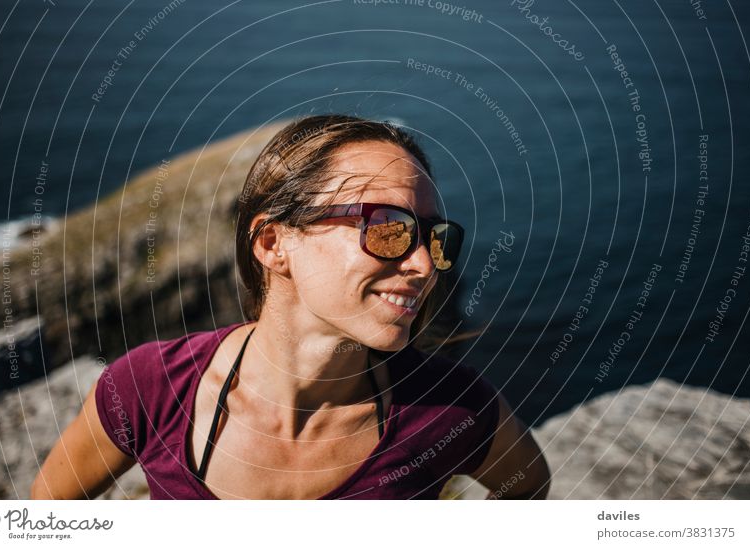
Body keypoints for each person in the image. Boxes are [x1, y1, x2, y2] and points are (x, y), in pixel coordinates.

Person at [30, 114, 549, 500]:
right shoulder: (150, 387)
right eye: (387, 229)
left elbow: (529, 490)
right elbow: (46, 518)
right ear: (274, 244)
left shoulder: (453, 408)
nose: (425, 265)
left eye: (436, 237)